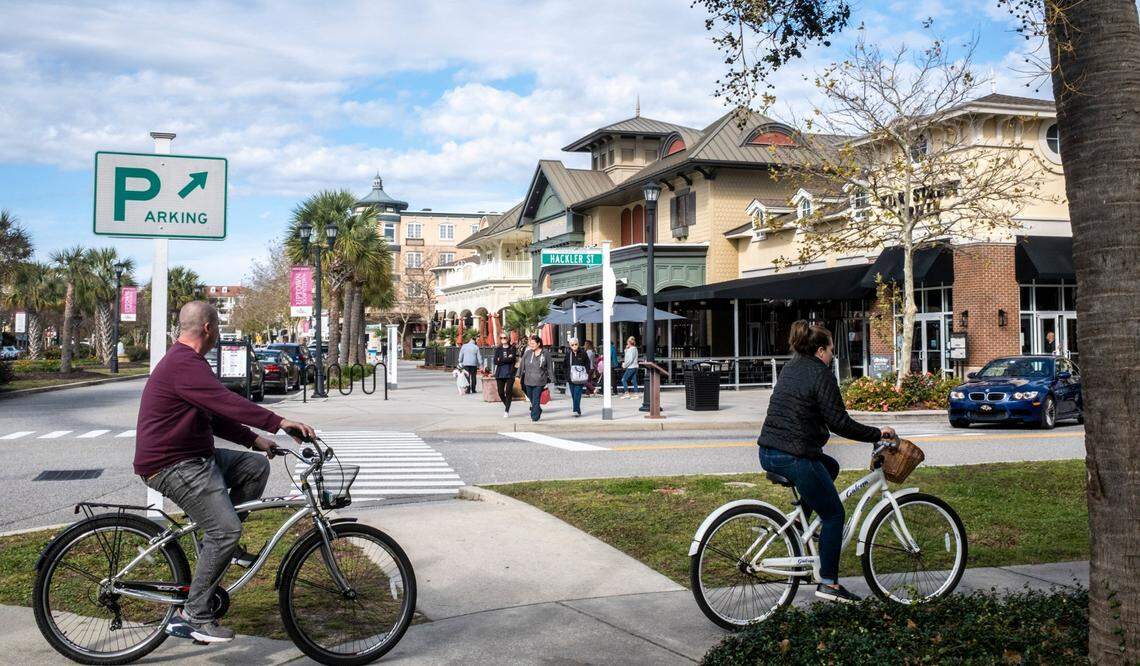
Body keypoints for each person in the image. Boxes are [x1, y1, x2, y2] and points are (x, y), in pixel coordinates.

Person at [134, 301, 316, 644]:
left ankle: (215, 545)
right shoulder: (184, 364)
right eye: (217, 329)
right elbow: (225, 402)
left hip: (195, 456)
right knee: (226, 529)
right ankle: (194, 614)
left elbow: (214, 416)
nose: (217, 335)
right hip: (173, 464)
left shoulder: (187, 363)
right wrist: (279, 422)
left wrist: (255, 440)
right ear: (208, 329)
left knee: (254, 468)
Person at [757, 320, 895, 604]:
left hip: (770, 450)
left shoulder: (793, 366)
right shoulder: (821, 374)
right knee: (834, 515)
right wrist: (876, 433)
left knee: (830, 467)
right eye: (831, 350)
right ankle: (829, 584)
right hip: (794, 455)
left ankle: (799, 528)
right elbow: (839, 422)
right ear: (821, 350)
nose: (833, 355)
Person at [517, 335, 551, 422]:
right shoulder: (528, 353)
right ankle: (538, 409)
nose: (531, 345)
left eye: (533, 343)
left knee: (536, 398)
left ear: (538, 344)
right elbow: (522, 364)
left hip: (540, 380)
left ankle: (534, 417)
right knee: (531, 397)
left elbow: (549, 367)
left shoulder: (545, 353)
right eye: (530, 343)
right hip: (528, 380)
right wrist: (518, 375)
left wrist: (552, 378)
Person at [493, 334, 518, 417]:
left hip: (510, 373)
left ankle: (506, 410)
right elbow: (495, 362)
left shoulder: (512, 348)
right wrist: (507, 359)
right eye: (501, 338)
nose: (503, 339)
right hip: (500, 373)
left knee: (508, 391)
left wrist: (501, 360)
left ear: (508, 338)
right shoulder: (498, 349)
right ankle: (507, 405)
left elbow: (513, 359)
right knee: (500, 393)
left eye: (505, 337)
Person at [564, 338, 590, 416]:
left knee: (577, 394)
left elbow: (587, 364)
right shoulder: (568, 354)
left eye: (576, 344)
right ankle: (578, 410)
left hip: (580, 377)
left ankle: (575, 410)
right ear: (570, 346)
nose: (574, 346)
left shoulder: (583, 353)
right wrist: (567, 375)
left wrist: (586, 373)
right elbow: (565, 365)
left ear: (578, 344)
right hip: (571, 378)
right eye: (572, 345)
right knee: (573, 395)